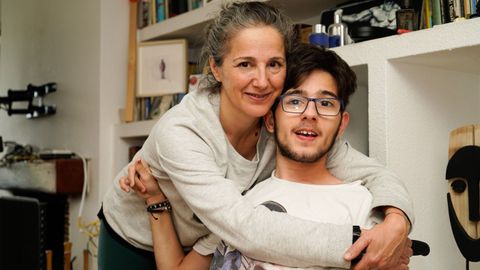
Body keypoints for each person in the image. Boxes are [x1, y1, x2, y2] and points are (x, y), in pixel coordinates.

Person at [99, 2, 413, 269]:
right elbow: (246, 228)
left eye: (274, 64)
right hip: (135, 239)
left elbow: (375, 174)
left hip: (207, 238)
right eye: (245, 64)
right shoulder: (182, 132)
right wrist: (364, 246)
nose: (262, 81)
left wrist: (396, 223)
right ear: (217, 69)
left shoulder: (281, 119)